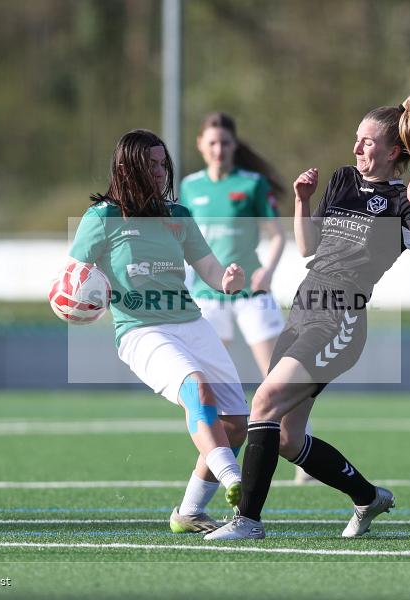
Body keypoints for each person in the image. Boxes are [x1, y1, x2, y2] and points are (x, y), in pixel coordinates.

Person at [205, 96, 410, 540]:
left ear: (392, 152)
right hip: (304, 308)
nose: (356, 149)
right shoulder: (343, 180)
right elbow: (308, 247)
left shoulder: (400, 203)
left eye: (367, 143)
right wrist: (301, 200)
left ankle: (247, 522)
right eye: (355, 140)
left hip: (339, 321)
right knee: (288, 438)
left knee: (264, 403)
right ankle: (369, 498)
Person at [68, 129, 248, 534]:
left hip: (191, 323)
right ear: (127, 167)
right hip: (141, 331)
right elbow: (72, 278)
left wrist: (229, 280)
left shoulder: (178, 216)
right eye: (150, 164)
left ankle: (188, 513)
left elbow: (211, 270)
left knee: (236, 422)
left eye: (162, 163)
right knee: (198, 390)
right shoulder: (102, 219)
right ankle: (235, 478)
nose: (159, 171)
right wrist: (75, 303)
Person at [179, 112, 315, 484]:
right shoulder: (190, 187)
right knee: (207, 378)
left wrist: (267, 271)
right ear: (200, 146)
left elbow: (275, 235)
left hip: (251, 293)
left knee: (279, 372)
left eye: (224, 142)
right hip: (209, 294)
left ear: (234, 146)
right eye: (212, 143)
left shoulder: (251, 184)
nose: (218, 149)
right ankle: (216, 453)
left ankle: (302, 446)